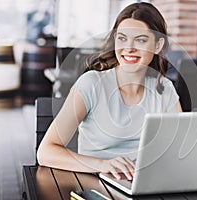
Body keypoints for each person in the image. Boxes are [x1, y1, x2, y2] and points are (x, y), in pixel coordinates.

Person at [37, 2, 182, 181]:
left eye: (141, 40)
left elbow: (178, 151)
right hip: (95, 184)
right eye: (122, 38)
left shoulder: (165, 89)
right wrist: (102, 165)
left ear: (158, 46)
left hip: (144, 185)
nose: (129, 48)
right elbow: (46, 152)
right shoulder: (91, 84)